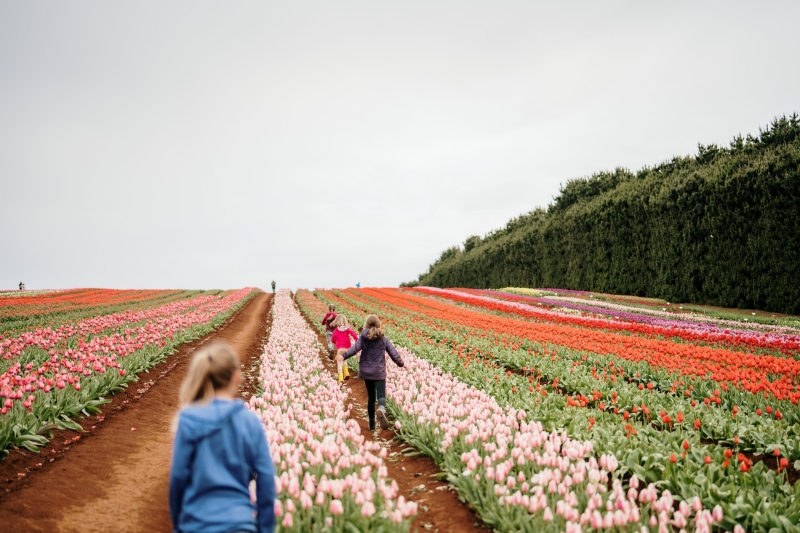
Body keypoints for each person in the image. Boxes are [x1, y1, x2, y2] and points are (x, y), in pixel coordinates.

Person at [170, 341, 275, 533]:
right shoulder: (249, 421)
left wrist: (179, 524)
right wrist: (265, 528)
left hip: (196, 523)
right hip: (238, 523)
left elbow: (178, 477)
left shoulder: (188, 420)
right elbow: (266, 478)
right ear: (236, 377)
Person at [338, 315, 404, 430]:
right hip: (379, 372)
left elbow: (355, 349)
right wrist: (400, 363)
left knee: (371, 398)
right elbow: (393, 353)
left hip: (367, 372)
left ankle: (372, 424)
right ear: (379, 325)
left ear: (366, 325)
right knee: (381, 395)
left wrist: (343, 356)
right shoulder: (384, 339)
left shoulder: (363, 337)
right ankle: (382, 409)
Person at [330, 314, 357, 384]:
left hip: (340, 349)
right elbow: (353, 333)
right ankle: (346, 372)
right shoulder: (348, 329)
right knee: (344, 359)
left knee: (339, 363)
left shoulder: (336, 330)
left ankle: (341, 378)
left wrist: (335, 341)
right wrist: (357, 340)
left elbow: (332, 339)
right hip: (347, 349)